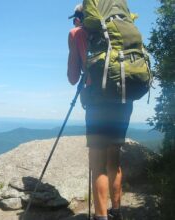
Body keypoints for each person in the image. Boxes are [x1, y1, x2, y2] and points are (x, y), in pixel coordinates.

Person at [67, 4, 133, 220]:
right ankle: (117, 212)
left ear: (80, 17)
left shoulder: (76, 33)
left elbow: (72, 78)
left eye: (75, 18)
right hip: (124, 98)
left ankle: (101, 217)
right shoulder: (120, 28)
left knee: (98, 164)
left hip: (97, 102)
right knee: (114, 159)